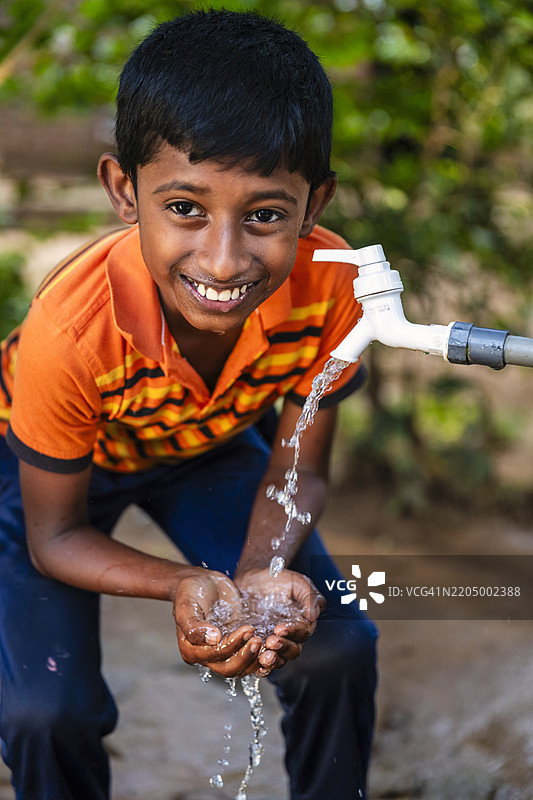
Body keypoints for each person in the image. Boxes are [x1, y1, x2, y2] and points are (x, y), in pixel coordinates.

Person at [0, 9, 378, 800]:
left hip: (199, 447)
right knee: (44, 712)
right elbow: (56, 534)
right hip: (40, 472)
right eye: (184, 208)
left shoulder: (336, 283)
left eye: (266, 215)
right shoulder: (71, 331)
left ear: (315, 207)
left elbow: (298, 466)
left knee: (339, 645)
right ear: (122, 189)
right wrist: (182, 583)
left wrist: (257, 573)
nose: (223, 257)